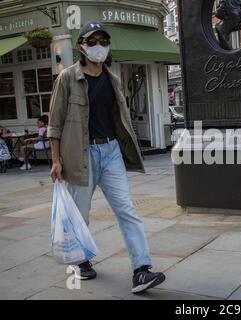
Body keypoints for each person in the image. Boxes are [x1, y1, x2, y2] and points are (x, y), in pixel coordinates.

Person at [48, 21, 165, 294]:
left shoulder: (113, 78)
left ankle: (141, 270)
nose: (98, 46)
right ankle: (81, 260)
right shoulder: (67, 78)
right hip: (80, 154)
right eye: (92, 41)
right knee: (80, 215)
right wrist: (55, 159)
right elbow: (55, 123)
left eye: (103, 41)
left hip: (110, 151)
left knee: (127, 210)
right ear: (81, 47)